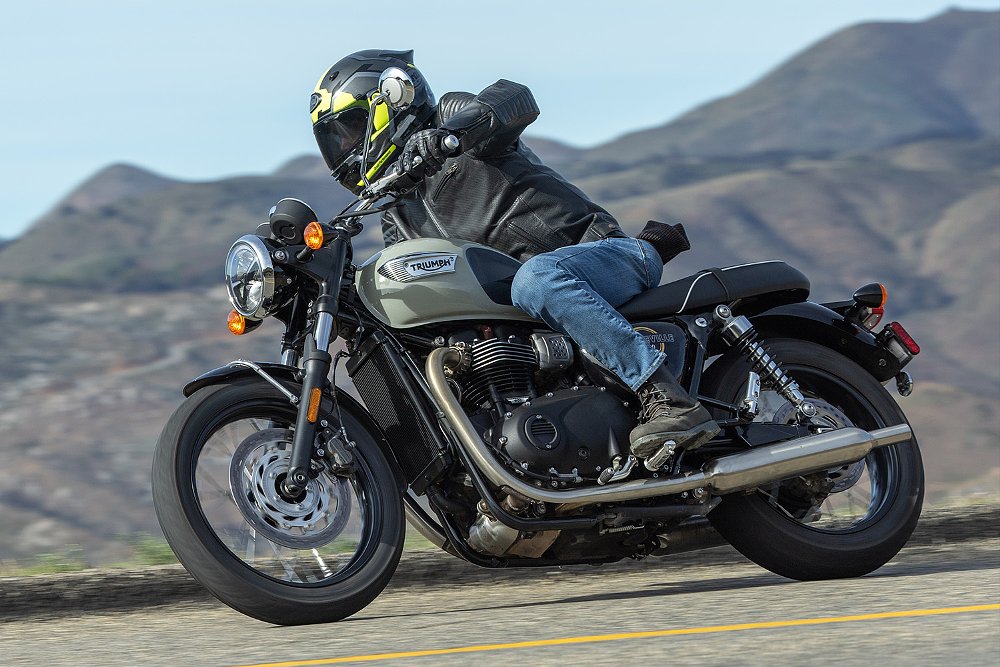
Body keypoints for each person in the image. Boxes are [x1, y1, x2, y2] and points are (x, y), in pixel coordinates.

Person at [310, 49, 719, 460]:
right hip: (531, 311)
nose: (344, 147)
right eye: (334, 140)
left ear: (390, 99)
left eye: (348, 130)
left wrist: (451, 135)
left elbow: (514, 98)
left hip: (601, 255)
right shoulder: (398, 214)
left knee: (536, 279)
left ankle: (665, 396)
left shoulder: (451, 119)